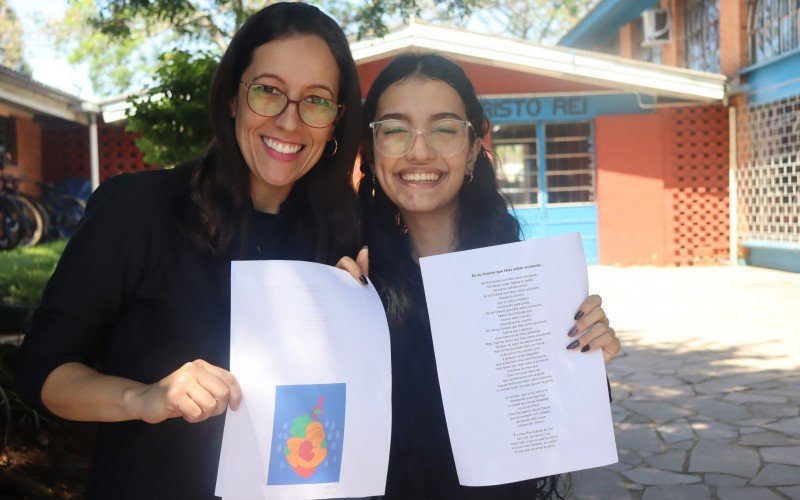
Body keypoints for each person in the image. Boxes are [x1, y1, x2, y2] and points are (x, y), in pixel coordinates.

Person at [15, 3, 365, 498]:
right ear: (231, 98)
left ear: (335, 121)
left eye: (317, 100)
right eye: (268, 90)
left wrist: (368, 306)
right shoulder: (140, 209)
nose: (290, 121)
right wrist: (143, 396)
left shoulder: (343, 237)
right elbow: (42, 371)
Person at [354, 53, 622, 499]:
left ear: (475, 147)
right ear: (371, 148)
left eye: (444, 129)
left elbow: (556, 427)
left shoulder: (521, 284)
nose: (420, 150)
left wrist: (588, 361)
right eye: (396, 129)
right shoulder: (346, 280)